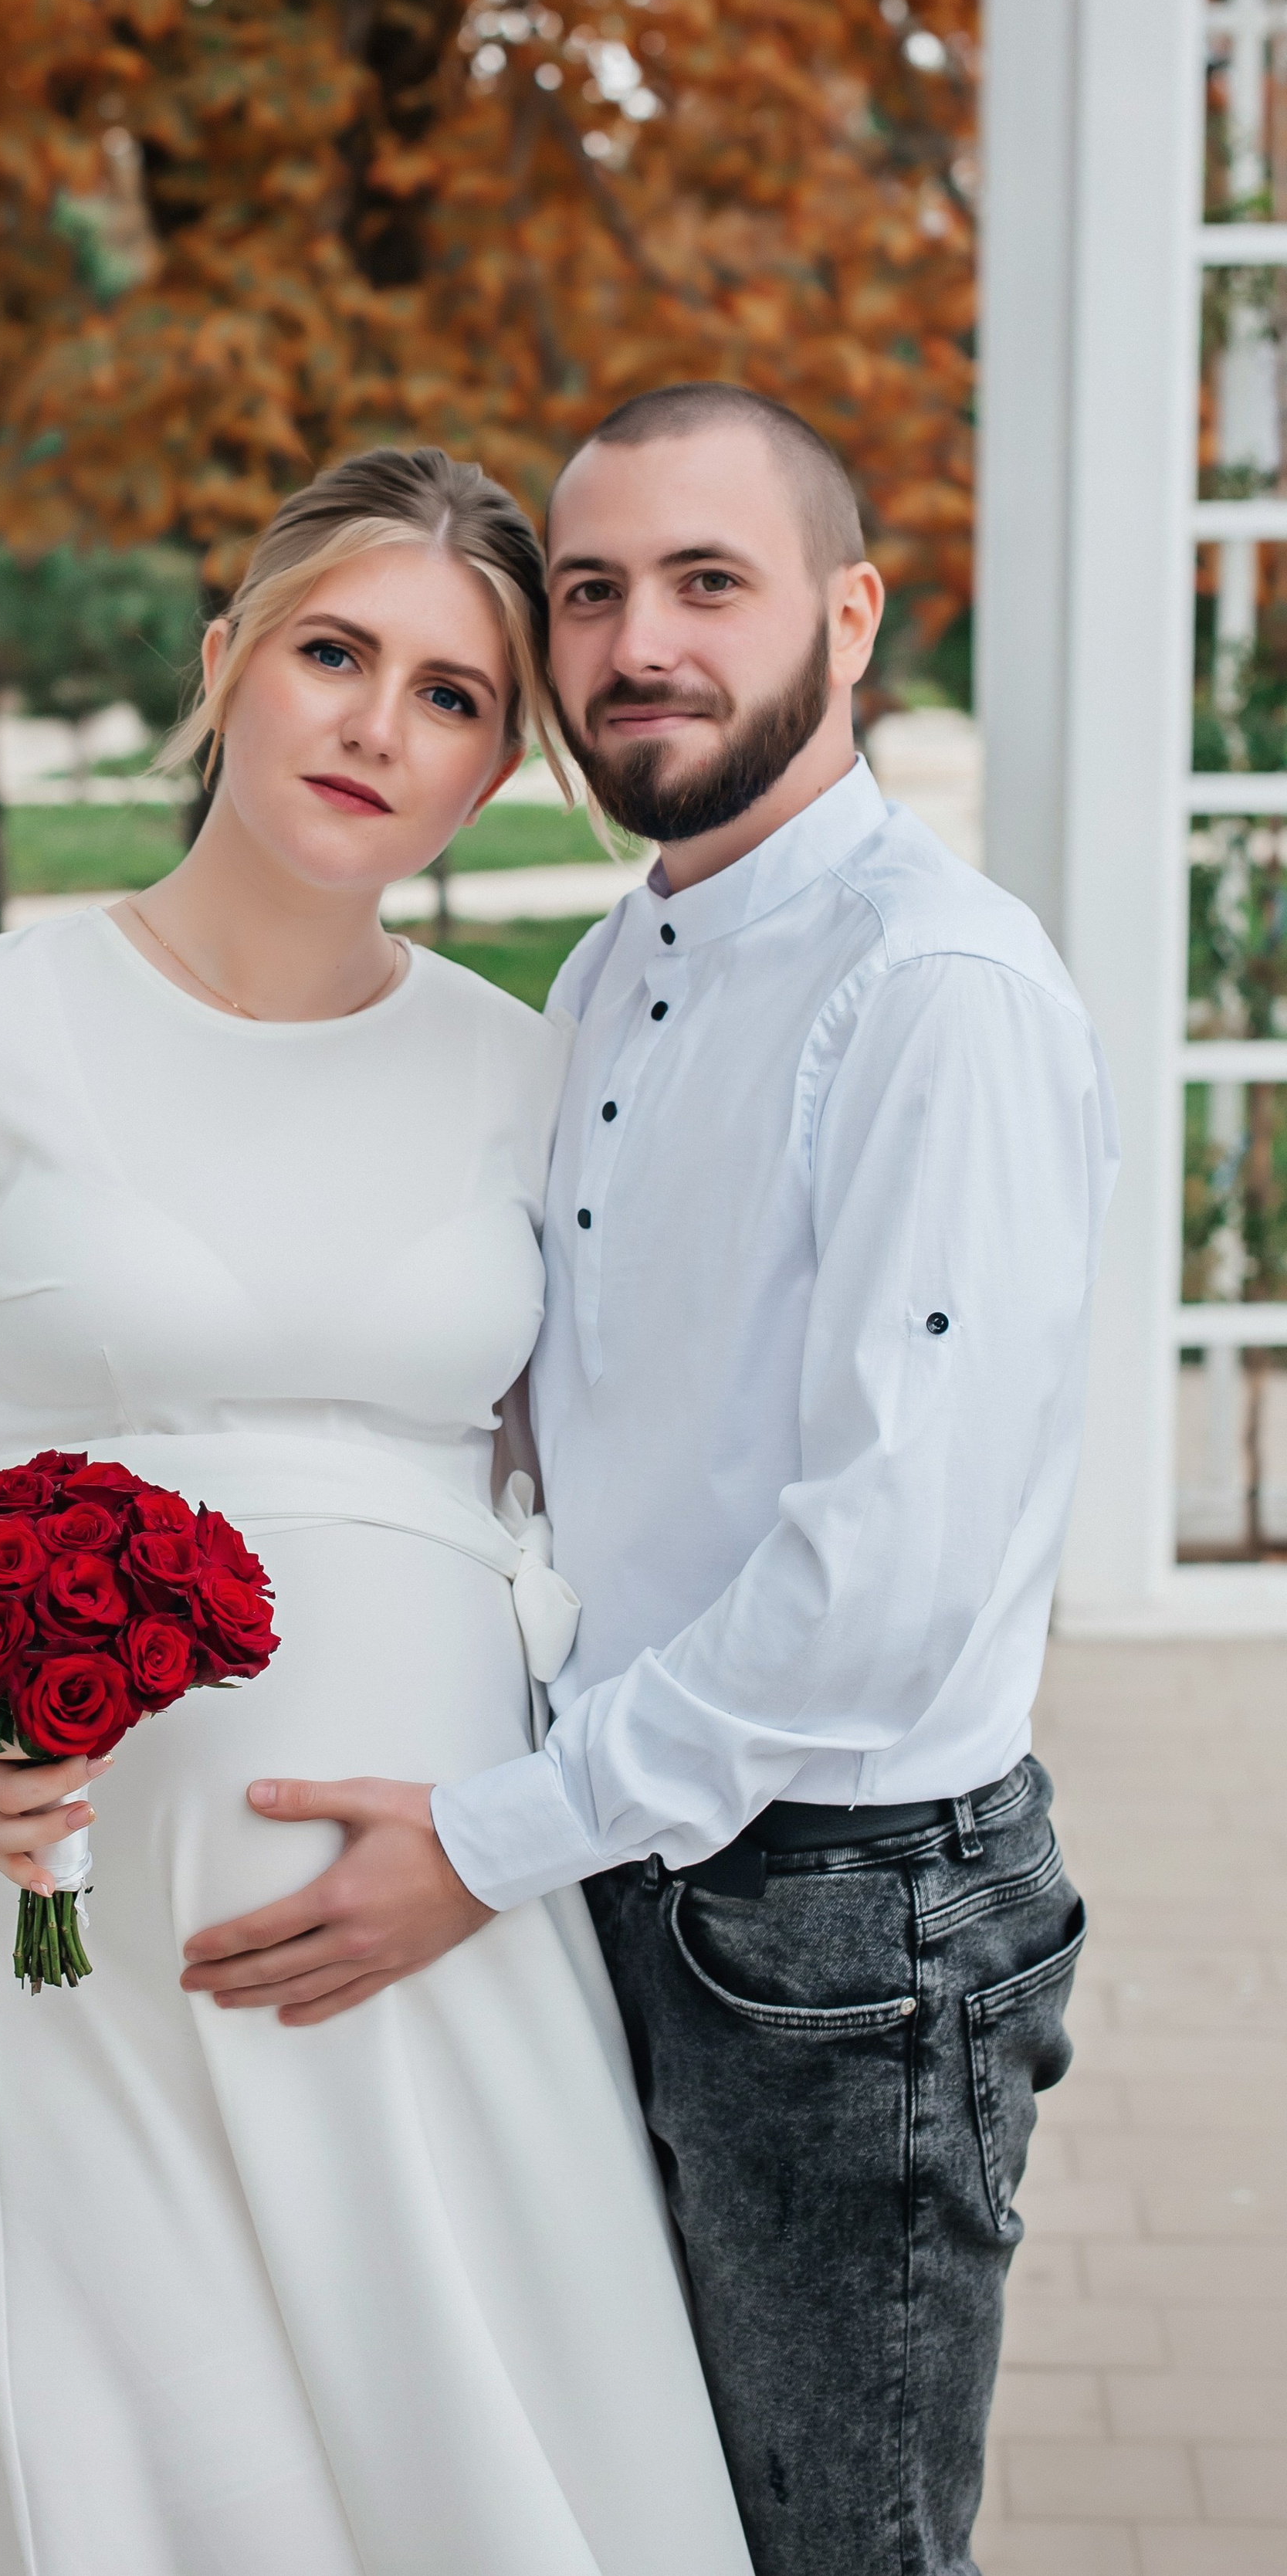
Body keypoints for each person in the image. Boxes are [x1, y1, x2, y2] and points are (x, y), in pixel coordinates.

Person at [0, 446, 751, 2576]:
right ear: (228, 665)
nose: (380, 722)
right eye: (335, 651)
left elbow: (588, 1502)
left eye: (456, 695)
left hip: (439, 1911)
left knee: (497, 2467)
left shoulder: (520, 1068)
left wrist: (510, 1812)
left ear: (500, 765)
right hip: (76, 1932)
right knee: (156, 2487)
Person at [181, 386, 1118, 2576]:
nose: (639, 643)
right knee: (650, 2511)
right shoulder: (611, 975)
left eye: (710, 581)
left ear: (850, 613)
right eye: (591, 593)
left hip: (847, 1919)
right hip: (642, 1858)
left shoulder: (936, 990)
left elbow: (882, 1578)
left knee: (835, 2546)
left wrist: (489, 1842)